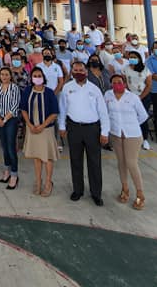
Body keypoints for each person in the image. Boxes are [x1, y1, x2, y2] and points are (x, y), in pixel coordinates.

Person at [58, 61, 109, 205]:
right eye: (76, 70)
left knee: (94, 162)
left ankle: (96, 193)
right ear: (72, 72)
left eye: (81, 70)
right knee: (75, 160)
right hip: (74, 128)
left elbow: (103, 111)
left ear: (86, 72)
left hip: (92, 129)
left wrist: (105, 131)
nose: (78, 72)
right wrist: (62, 126)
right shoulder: (67, 88)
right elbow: (63, 109)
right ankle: (77, 190)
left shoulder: (94, 89)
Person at [104, 73, 147, 210]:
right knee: (121, 163)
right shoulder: (108, 96)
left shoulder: (133, 97)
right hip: (116, 134)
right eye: (114, 82)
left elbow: (143, 116)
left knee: (131, 163)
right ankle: (125, 189)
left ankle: (140, 193)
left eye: (120, 81)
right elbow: (105, 113)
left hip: (132, 135)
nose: (117, 84)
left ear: (125, 83)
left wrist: (131, 125)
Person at [21, 66, 60, 197]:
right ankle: (38, 181)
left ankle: (48, 182)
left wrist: (42, 125)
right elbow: (23, 109)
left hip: (46, 129)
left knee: (47, 157)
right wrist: (30, 125)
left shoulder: (49, 92)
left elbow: (54, 112)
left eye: (39, 76)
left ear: (43, 77)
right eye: (35, 76)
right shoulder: (27, 91)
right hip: (32, 128)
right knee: (37, 156)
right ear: (31, 78)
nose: (37, 78)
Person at [0, 66, 21, 189]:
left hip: (10, 120)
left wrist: (4, 119)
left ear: (10, 76)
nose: (4, 76)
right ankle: (7, 170)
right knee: (4, 146)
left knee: (11, 147)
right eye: (2, 74)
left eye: (6, 74)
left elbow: (15, 105)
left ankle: (14, 174)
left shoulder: (14, 88)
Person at [124, 50, 152, 149]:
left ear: (139, 59)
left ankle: (144, 139)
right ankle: (132, 138)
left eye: (134, 57)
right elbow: (124, 83)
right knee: (131, 118)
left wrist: (140, 97)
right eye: (130, 57)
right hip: (130, 97)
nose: (132, 59)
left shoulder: (145, 69)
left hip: (143, 97)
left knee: (142, 118)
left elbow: (149, 85)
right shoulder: (125, 69)